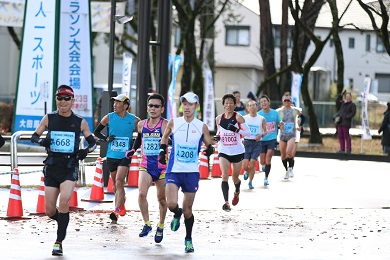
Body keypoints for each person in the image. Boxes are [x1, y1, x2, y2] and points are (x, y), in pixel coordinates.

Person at [30, 85, 96, 256]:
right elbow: (34, 136)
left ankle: (58, 242)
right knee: (50, 211)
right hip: (52, 166)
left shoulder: (80, 121)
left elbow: (93, 143)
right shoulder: (49, 118)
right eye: (60, 98)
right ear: (56, 100)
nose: (63, 102)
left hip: (69, 166)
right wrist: (42, 142)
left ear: (73, 101)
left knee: (64, 202)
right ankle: (62, 222)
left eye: (67, 98)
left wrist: (85, 152)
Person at [158, 92, 214, 253]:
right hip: (174, 170)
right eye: (184, 103)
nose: (187, 107)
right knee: (171, 204)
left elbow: (208, 144)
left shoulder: (201, 125)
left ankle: (188, 238)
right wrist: (162, 152)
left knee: (188, 210)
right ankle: (177, 213)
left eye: (190, 104)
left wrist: (209, 150)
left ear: (196, 106)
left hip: (191, 173)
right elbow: (164, 138)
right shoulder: (174, 122)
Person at [124, 93, 168, 242]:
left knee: (161, 199)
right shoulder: (141, 124)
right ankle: (147, 224)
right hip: (146, 165)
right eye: (150, 106)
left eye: (156, 106)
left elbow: (173, 141)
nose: (153, 109)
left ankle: (161, 225)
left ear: (162, 109)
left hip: (162, 167)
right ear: (147, 107)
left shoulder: (165, 124)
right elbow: (139, 139)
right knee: (142, 194)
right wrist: (133, 149)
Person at [94, 94, 140, 223]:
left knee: (120, 181)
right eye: (114, 102)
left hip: (125, 156)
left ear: (125, 106)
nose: (115, 105)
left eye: (118, 102)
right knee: (115, 185)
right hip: (111, 155)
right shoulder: (109, 117)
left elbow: (144, 130)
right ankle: (121, 201)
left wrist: (135, 144)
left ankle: (116, 210)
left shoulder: (134, 119)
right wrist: (105, 139)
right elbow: (96, 132)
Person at [215, 93, 250, 211]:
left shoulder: (238, 117)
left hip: (237, 151)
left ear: (235, 105)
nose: (229, 105)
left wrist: (236, 129)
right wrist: (217, 137)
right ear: (223, 105)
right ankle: (226, 202)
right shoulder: (219, 118)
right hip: (224, 149)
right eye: (226, 103)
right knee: (224, 175)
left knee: (235, 177)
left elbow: (248, 133)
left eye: (231, 103)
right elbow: (219, 132)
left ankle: (237, 191)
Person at [257, 95, 283, 186]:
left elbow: (279, 122)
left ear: (269, 102)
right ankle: (264, 166)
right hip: (262, 139)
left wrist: (281, 124)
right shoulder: (259, 114)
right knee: (262, 161)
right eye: (261, 102)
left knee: (268, 158)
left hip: (272, 139)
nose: (263, 103)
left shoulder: (275, 113)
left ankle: (266, 178)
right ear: (260, 105)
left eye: (265, 101)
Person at [276, 92, 302, 179]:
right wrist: (278, 125)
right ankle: (286, 170)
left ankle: (291, 168)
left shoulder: (295, 110)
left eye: (288, 100)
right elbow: (275, 121)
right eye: (285, 100)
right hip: (282, 135)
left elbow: (301, 117)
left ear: (291, 101)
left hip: (292, 134)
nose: (287, 102)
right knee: (283, 155)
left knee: (289, 152)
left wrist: (298, 125)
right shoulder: (279, 111)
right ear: (283, 101)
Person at [242, 100, 266, 189]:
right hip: (246, 143)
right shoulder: (244, 118)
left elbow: (265, 131)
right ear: (247, 108)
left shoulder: (261, 118)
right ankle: (246, 171)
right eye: (250, 106)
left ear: (257, 107)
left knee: (252, 164)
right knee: (244, 166)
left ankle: (250, 182)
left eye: (253, 105)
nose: (252, 107)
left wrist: (261, 135)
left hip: (256, 143)